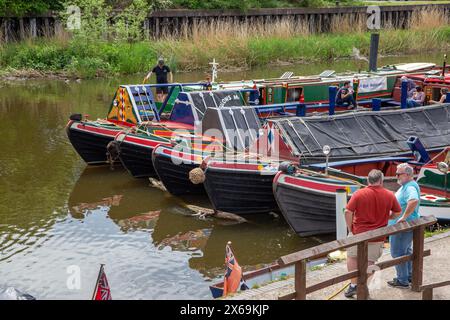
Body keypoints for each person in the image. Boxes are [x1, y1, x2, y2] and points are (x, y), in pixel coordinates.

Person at [343, 169, 402, 298]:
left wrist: (350, 229)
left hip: (358, 233)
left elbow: (347, 212)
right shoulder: (389, 195)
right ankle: (363, 286)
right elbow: (397, 212)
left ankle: (353, 286)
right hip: (377, 235)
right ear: (381, 180)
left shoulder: (358, 194)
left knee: (353, 258)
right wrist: (389, 217)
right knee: (371, 261)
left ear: (368, 180)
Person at [388, 163, 421, 289]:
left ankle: (402, 280)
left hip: (402, 227)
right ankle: (409, 276)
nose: (396, 176)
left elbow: (413, 200)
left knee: (397, 253)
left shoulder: (409, 187)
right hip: (405, 226)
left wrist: (403, 217)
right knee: (406, 251)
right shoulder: (406, 186)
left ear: (407, 175)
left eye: (398, 174)